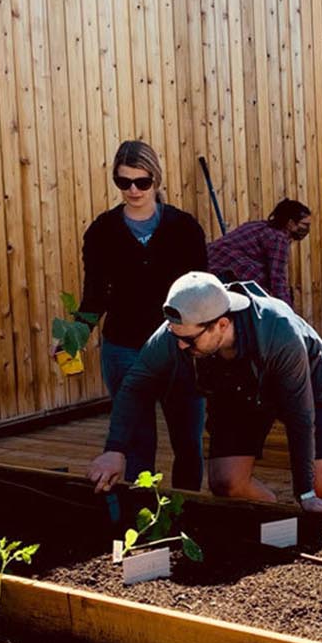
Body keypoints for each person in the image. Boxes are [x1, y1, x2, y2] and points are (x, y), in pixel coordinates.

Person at [88, 271, 322, 519]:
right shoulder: (178, 333)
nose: (180, 346)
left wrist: (305, 494)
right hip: (239, 389)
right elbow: (136, 384)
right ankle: (275, 517)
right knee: (227, 483)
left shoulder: (279, 332)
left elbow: (300, 417)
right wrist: (115, 449)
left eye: (189, 340)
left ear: (221, 324)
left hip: (304, 383)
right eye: (176, 336)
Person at [76, 140, 208, 489]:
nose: (133, 190)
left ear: (156, 179)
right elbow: (94, 296)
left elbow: (201, 291)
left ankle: (186, 512)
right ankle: (141, 515)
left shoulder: (184, 227)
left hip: (180, 348)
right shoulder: (102, 231)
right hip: (124, 347)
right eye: (124, 182)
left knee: (188, 443)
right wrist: (75, 335)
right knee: (137, 444)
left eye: (142, 182)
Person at [207, 198, 312, 306]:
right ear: (290, 223)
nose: (307, 228)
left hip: (208, 266)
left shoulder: (258, 226)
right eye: (304, 224)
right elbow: (277, 279)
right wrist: (287, 310)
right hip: (224, 273)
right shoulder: (278, 238)